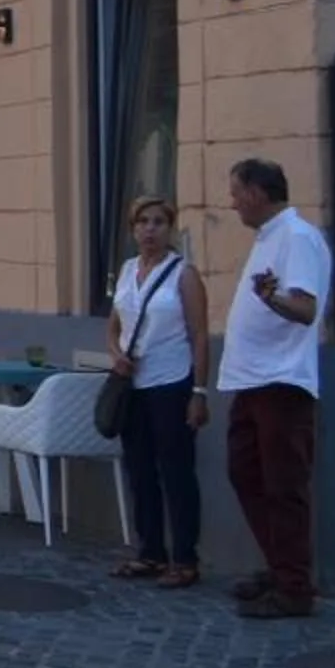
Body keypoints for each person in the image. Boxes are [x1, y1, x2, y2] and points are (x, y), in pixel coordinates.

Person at [215, 158, 328, 618]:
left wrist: (271, 300)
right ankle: (281, 566)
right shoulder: (269, 238)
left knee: (284, 485)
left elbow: (304, 309)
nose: (233, 202)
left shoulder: (298, 238)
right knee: (246, 473)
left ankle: (294, 586)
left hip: (281, 381)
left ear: (259, 194)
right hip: (253, 380)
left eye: (237, 192)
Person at [107, 196, 208, 587]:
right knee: (140, 469)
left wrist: (199, 390)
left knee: (177, 470)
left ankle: (185, 558)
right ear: (133, 229)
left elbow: (199, 335)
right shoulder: (129, 270)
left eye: (159, 222)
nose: (150, 230)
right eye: (143, 222)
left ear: (170, 229)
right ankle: (150, 551)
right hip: (134, 385)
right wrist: (116, 355)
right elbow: (114, 326)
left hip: (172, 381)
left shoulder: (184, 274)